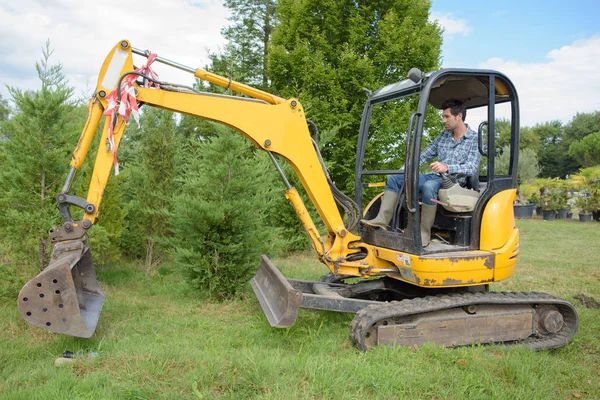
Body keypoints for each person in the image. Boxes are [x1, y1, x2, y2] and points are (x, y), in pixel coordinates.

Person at [361, 99, 481, 246]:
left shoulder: (474, 139)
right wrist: (403, 171)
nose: (443, 120)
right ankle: (381, 220)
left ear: (459, 116)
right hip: (435, 177)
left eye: (446, 116)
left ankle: (424, 233)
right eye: (443, 116)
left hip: (454, 182)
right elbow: (423, 156)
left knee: (429, 186)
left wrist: (447, 167)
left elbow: (472, 167)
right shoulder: (443, 136)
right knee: (395, 179)